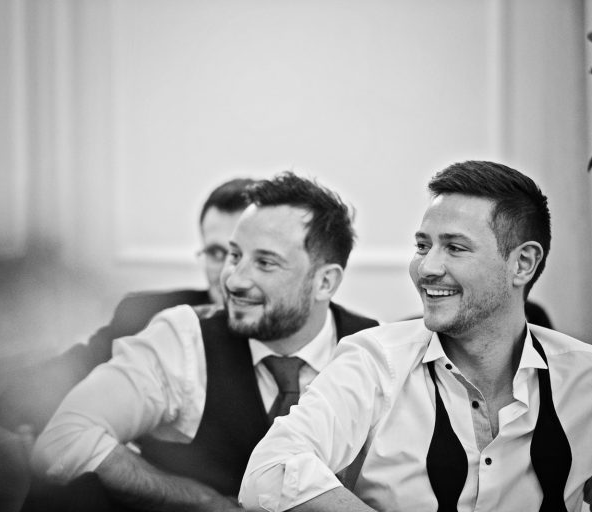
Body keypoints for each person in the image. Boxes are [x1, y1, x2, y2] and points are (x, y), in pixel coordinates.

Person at [239, 160, 592, 511]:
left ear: (523, 263)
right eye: (423, 246)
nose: (427, 268)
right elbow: (269, 470)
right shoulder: (372, 363)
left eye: (455, 248)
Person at [27, 171, 379, 512]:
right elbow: (63, 439)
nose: (234, 281)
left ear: (325, 283)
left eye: (265, 263)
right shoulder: (182, 337)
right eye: (234, 256)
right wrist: (206, 504)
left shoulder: (377, 355)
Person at [0, 177, 256, 437]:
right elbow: (25, 397)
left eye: (240, 254)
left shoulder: (288, 336)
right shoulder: (150, 313)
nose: (228, 274)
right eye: (216, 254)